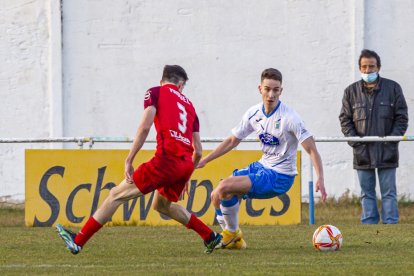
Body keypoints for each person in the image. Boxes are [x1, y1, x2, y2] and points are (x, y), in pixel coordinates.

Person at [56, 65, 222, 254]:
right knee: (161, 205)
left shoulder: (155, 92)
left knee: (115, 195)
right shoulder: (191, 107)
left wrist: (129, 159)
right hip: (184, 165)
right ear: (181, 84)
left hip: (166, 161)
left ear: (162, 81)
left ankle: (78, 241)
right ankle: (209, 236)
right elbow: (198, 151)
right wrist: (185, 177)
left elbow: (145, 127)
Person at [197, 68, 327, 249]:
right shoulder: (253, 113)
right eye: (267, 89)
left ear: (281, 91)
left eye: (276, 90)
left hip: (280, 176)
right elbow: (233, 140)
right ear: (260, 89)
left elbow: (312, 149)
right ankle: (235, 239)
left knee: (225, 187)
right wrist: (205, 160)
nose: (271, 94)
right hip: (262, 166)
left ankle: (230, 234)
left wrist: (320, 177)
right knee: (216, 194)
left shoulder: (290, 118)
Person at [339, 49, 408, 224]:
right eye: (364, 67)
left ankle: (391, 223)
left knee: (389, 193)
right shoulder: (350, 92)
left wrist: (391, 140)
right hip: (362, 152)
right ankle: (369, 223)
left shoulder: (393, 88)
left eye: (371, 66)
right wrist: (355, 142)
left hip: (387, 151)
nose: (368, 70)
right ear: (359, 68)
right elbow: (345, 120)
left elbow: (401, 118)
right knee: (366, 193)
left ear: (379, 67)